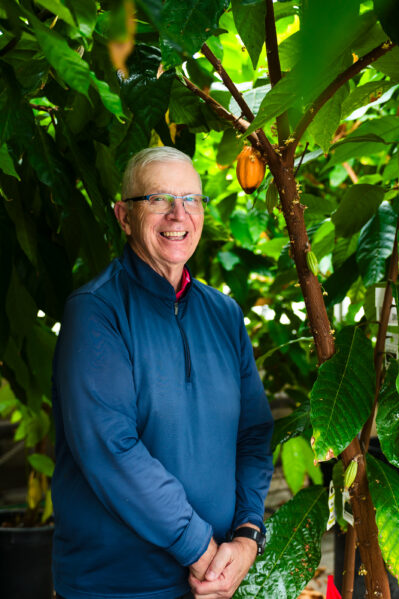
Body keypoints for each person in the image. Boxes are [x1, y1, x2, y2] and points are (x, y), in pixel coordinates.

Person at [51, 146, 274, 599]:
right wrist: (203, 552)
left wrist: (248, 535)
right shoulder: (95, 311)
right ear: (123, 215)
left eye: (192, 199)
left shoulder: (225, 314)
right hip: (118, 585)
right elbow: (111, 449)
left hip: (212, 580)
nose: (179, 213)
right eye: (158, 199)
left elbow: (253, 433)